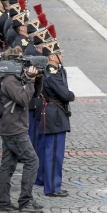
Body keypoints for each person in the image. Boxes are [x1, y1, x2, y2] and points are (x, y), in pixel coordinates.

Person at [0, 46, 44, 212]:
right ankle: (25, 200)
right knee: (32, 161)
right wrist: (30, 81)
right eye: (21, 60)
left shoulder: (14, 78)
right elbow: (23, 100)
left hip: (12, 127)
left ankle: (3, 202)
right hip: (14, 129)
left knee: (8, 165)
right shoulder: (9, 80)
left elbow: (35, 95)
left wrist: (36, 78)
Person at [40, 35, 74, 197]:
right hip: (55, 115)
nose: (62, 56)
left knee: (54, 152)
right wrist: (71, 94)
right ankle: (53, 187)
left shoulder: (54, 71)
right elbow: (65, 94)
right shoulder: (52, 73)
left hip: (54, 113)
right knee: (54, 153)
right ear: (52, 57)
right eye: (59, 54)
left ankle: (54, 185)